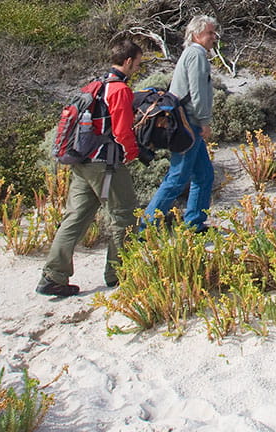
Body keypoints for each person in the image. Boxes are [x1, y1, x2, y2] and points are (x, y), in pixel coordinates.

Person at [39, 40, 148, 297]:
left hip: (82, 162)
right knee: (123, 217)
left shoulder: (94, 85)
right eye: (138, 63)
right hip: (106, 164)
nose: (138, 68)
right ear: (128, 61)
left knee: (75, 218)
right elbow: (121, 131)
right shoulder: (119, 89)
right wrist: (131, 154)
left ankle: (53, 276)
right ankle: (121, 274)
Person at [142, 15, 219, 233]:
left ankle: (194, 224)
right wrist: (204, 121)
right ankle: (146, 228)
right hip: (189, 124)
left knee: (204, 176)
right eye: (210, 33)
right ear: (196, 35)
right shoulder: (196, 55)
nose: (214, 37)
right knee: (177, 178)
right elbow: (196, 92)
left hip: (187, 122)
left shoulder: (194, 54)